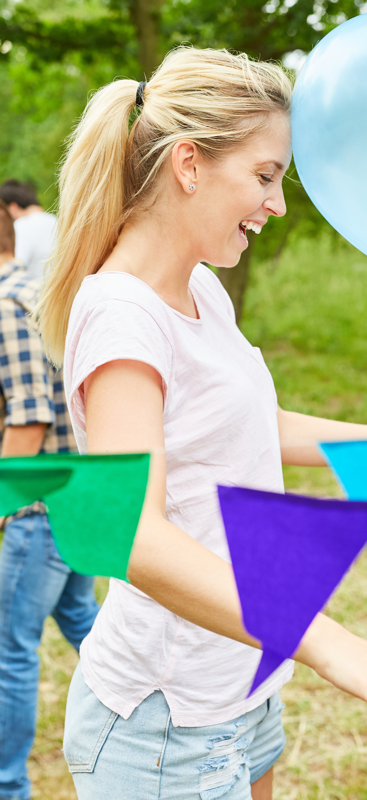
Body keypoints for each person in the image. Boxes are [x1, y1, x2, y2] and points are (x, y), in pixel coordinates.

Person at [34, 47, 367, 800]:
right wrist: (331, 644)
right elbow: (133, 536)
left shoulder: (200, 287)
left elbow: (258, 424)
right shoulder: (123, 315)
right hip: (168, 720)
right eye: (265, 176)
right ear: (188, 165)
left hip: (243, 673)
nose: (277, 204)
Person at [0, 199, 99, 800]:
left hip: (39, 511)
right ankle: (166, 705)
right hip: (75, 498)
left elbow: (30, 419)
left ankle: (7, 785)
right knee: (85, 622)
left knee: (9, 653)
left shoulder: (5, 305)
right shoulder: (35, 291)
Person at [0, 181, 58, 282]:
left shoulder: (21, 225)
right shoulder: (56, 221)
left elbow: (11, 268)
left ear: (13, 208)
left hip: (31, 290)